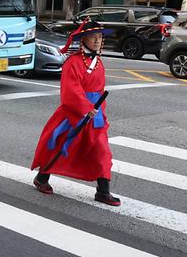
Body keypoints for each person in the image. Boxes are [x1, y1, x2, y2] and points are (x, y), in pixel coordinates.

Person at [30, 20, 120, 206]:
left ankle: (103, 191)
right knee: (59, 144)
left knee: (102, 150)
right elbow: (70, 91)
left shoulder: (98, 63)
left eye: (100, 37)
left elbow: (99, 90)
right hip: (74, 112)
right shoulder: (73, 62)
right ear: (83, 39)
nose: (97, 41)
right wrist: (86, 109)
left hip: (95, 114)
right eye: (93, 37)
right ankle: (42, 177)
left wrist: (98, 112)